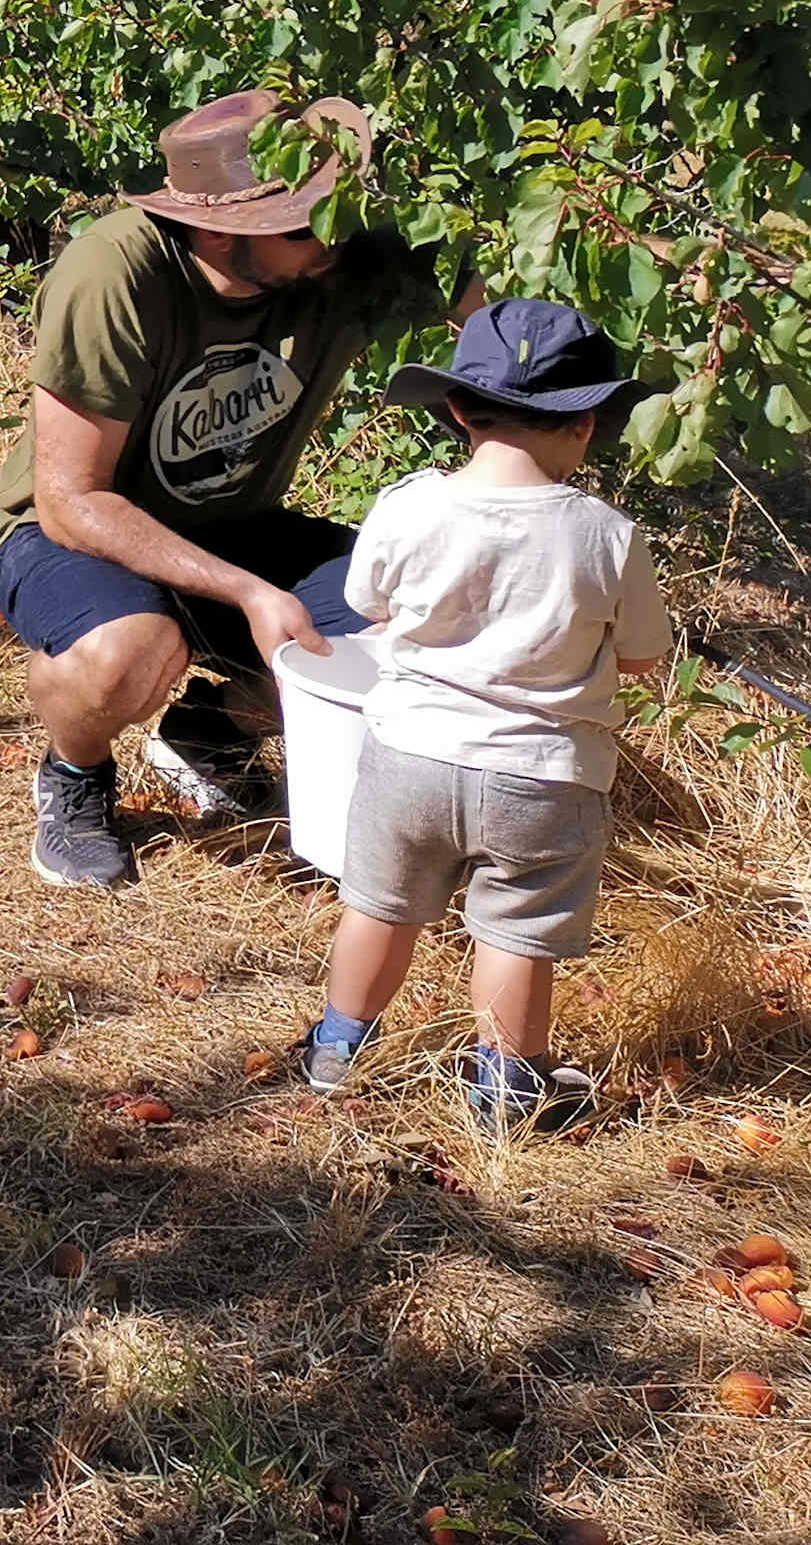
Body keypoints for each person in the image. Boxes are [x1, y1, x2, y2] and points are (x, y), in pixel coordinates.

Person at [0, 89, 479, 889]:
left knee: (418, 621)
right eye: (304, 223)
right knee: (126, 652)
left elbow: (501, 310)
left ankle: (211, 733)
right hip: (70, 533)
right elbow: (70, 502)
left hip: (237, 523)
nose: (334, 236)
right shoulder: (116, 273)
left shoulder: (337, 257)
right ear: (219, 230)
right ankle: (75, 774)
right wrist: (248, 592)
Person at [299, 299, 671, 1129]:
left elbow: (366, 602)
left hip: (409, 757)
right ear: (586, 424)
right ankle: (507, 1090)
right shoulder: (608, 535)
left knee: (379, 906)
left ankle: (336, 1049)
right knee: (517, 933)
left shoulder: (407, 504)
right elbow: (644, 656)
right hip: (544, 775)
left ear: (460, 409)